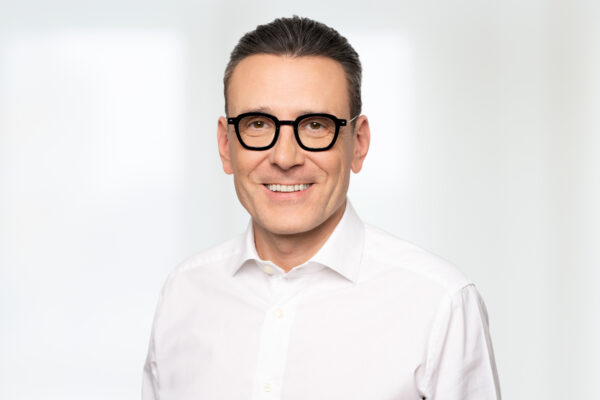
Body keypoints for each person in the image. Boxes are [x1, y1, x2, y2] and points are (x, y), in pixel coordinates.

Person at [142, 16, 501, 400]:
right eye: (258, 124)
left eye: (315, 125)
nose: (285, 157)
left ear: (358, 143)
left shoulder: (440, 304)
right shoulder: (183, 294)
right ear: (225, 144)